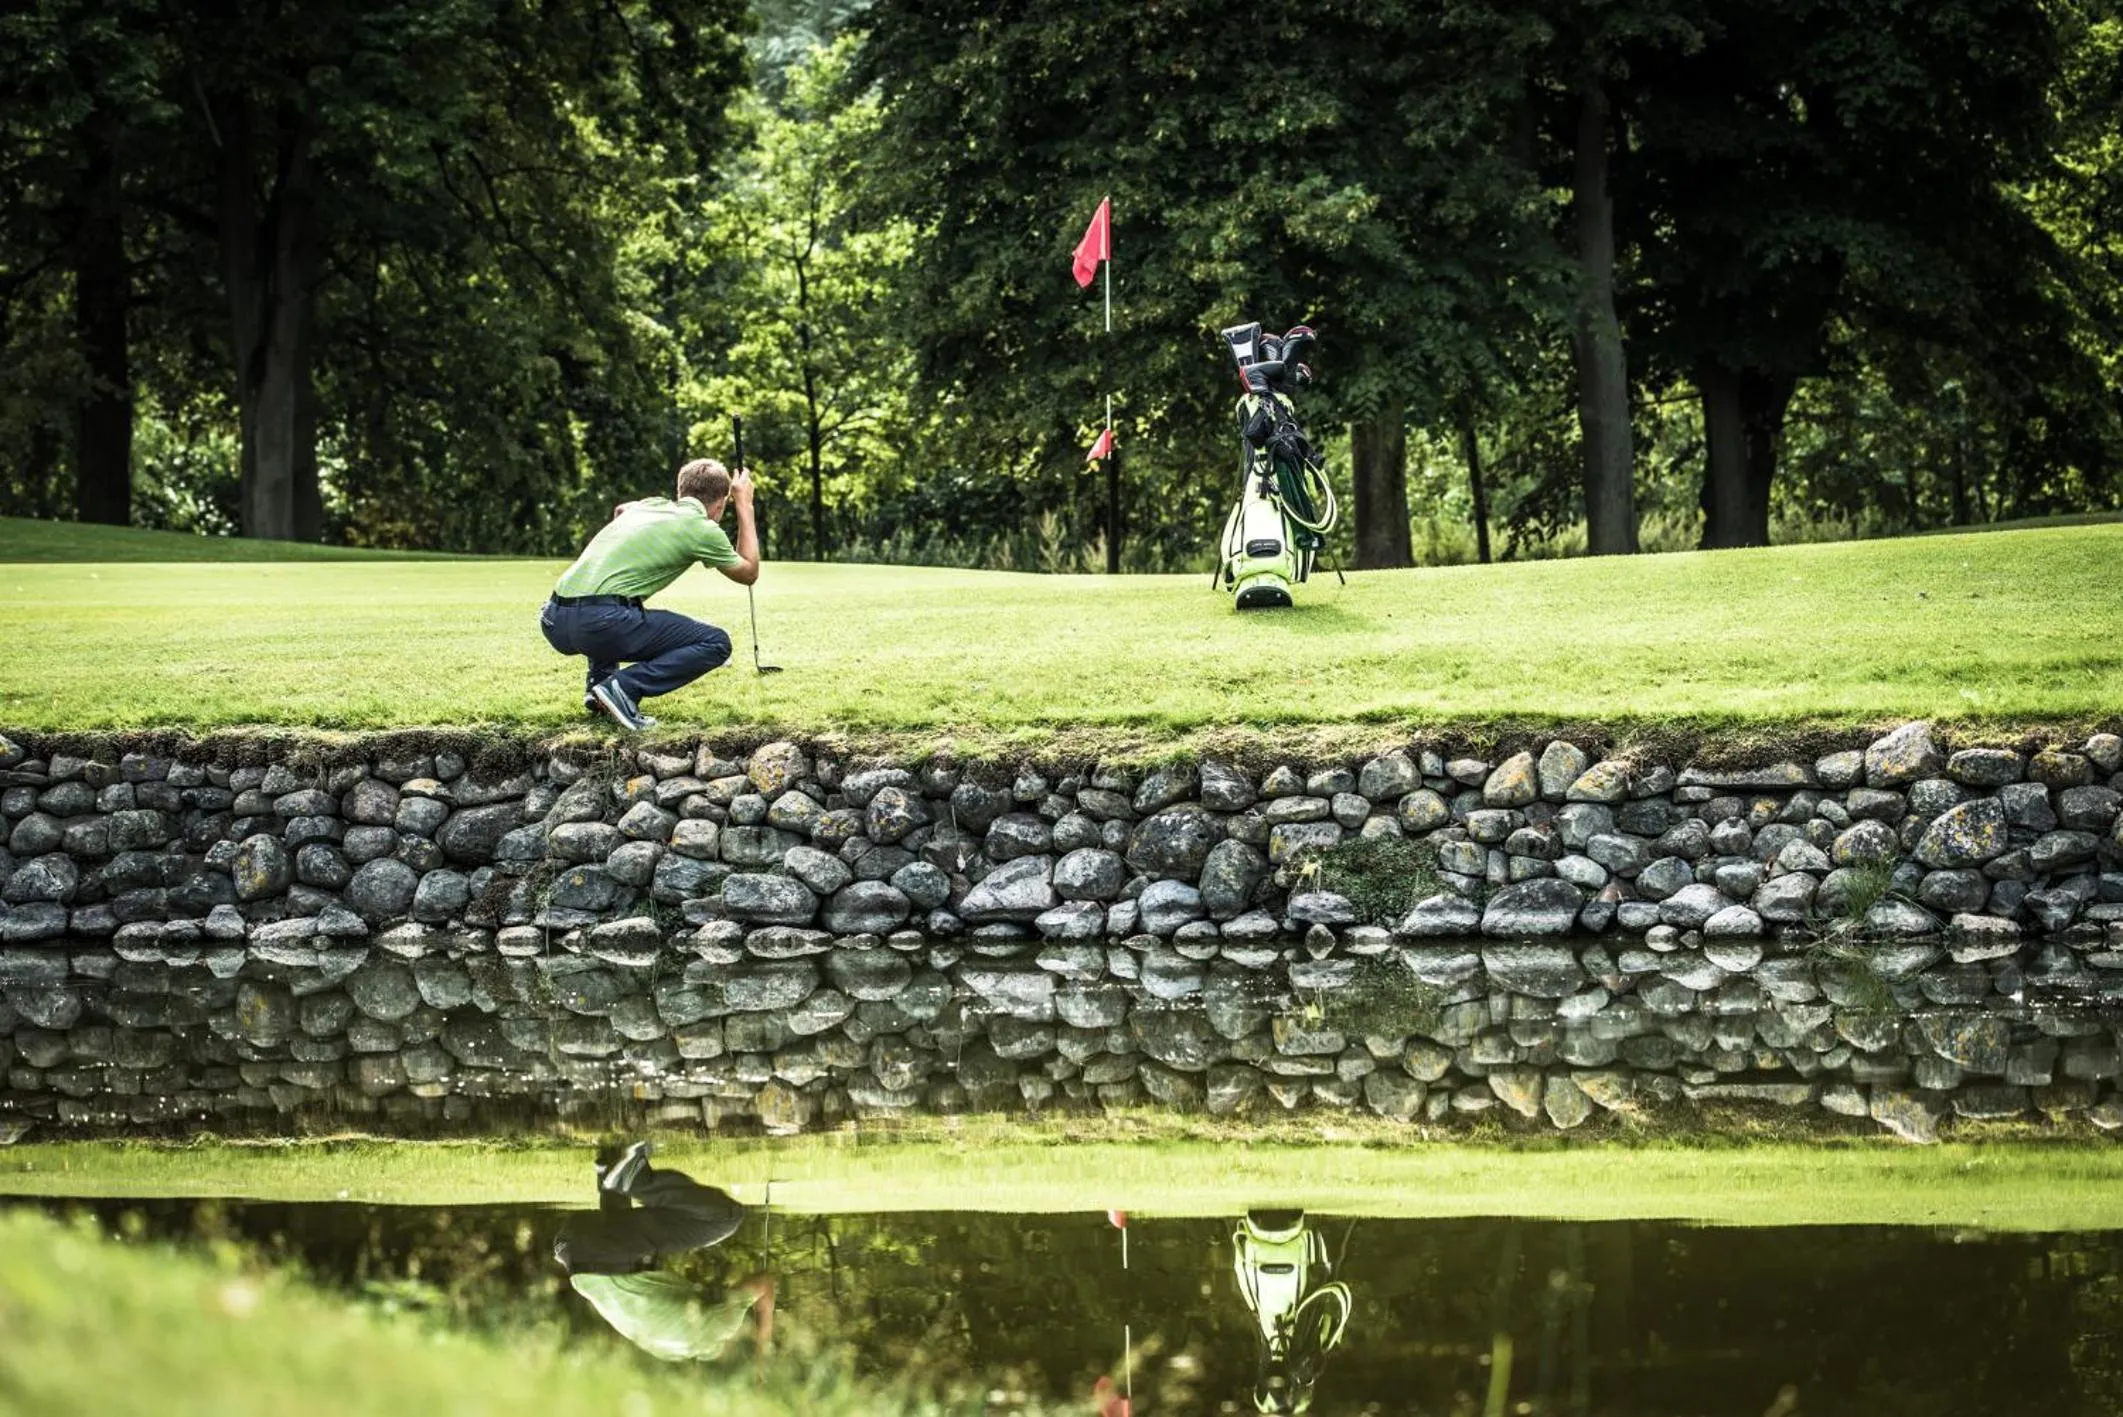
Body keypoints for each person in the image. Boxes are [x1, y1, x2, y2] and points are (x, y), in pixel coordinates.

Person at [540, 456, 761, 732]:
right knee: (716, 643)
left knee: (621, 608)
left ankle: (599, 686)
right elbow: (748, 572)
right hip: (599, 623)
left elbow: (621, 509)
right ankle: (622, 689)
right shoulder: (703, 529)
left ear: (682, 490)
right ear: (720, 504)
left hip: (553, 619)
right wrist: (745, 504)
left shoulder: (649, 506)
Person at [551, 1141, 776, 1364]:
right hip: (569, 1247)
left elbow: (764, 1284)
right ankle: (610, 1175)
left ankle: (634, 1177)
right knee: (642, 1259)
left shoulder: (715, 1334)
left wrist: (762, 1343)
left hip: (604, 1253)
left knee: (727, 1218)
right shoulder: (668, 1349)